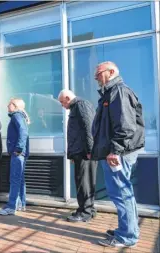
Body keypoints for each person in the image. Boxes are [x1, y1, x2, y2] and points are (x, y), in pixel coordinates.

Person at [92, 62, 144, 248]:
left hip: (118, 153)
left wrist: (115, 150)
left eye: (98, 73)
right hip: (116, 151)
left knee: (121, 193)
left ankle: (127, 236)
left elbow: (125, 126)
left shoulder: (119, 92)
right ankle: (126, 229)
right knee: (122, 193)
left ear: (111, 72)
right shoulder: (110, 93)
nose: (95, 77)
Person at [58, 89, 98, 222]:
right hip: (81, 152)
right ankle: (88, 209)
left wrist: (89, 150)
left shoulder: (81, 105)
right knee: (85, 181)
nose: (62, 105)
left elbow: (89, 127)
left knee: (84, 182)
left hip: (84, 153)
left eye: (62, 102)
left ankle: (85, 212)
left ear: (68, 98)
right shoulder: (78, 107)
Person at [0, 98, 29, 216]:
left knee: (15, 179)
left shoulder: (16, 116)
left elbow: (23, 132)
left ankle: (11, 206)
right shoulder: (20, 116)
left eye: (9, 104)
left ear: (15, 106)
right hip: (21, 154)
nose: (7, 105)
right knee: (20, 180)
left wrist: (18, 149)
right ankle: (20, 204)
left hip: (18, 154)